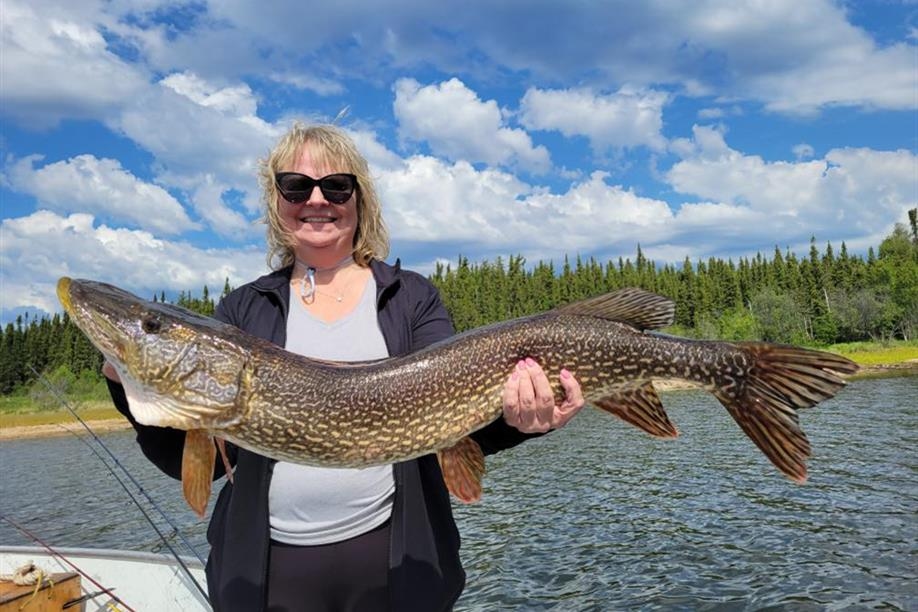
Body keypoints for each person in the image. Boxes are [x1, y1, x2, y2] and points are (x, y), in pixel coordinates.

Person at [103, 123, 585, 612]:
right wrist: (126, 383)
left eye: (336, 186)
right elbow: (184, 462)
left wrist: (524, 423)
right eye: (296, 185)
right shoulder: (242, 311)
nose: (316, 200)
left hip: (398, 569)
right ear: (276, 201)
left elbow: (456, 423)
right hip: (269, 577)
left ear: (360, 199)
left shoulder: (411, 298)